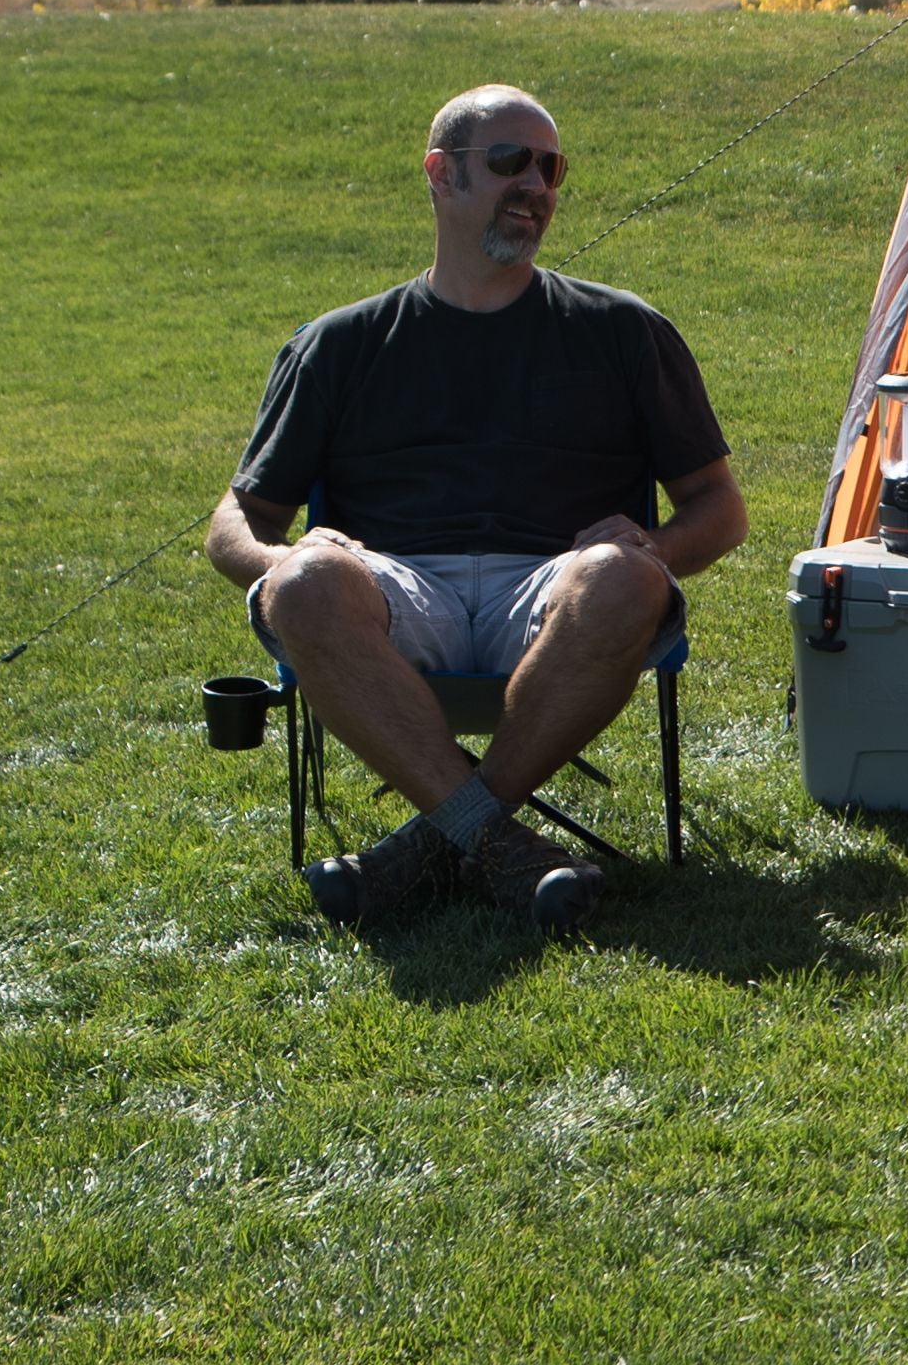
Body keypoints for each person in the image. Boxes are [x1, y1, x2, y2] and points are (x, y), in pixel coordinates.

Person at [209, 85, 745, 935]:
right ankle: (502, 847)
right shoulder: (340, 345)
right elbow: (234, 522)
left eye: (551, 167)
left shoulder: (623, 331)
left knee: (619, 578)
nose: (535, 184)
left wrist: (650, 543)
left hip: (553, 591)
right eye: (509, 162)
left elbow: (720, 508)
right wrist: (288, 564)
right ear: (441, 175)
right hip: (395, 592)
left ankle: (428, 850)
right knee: (308, 584)